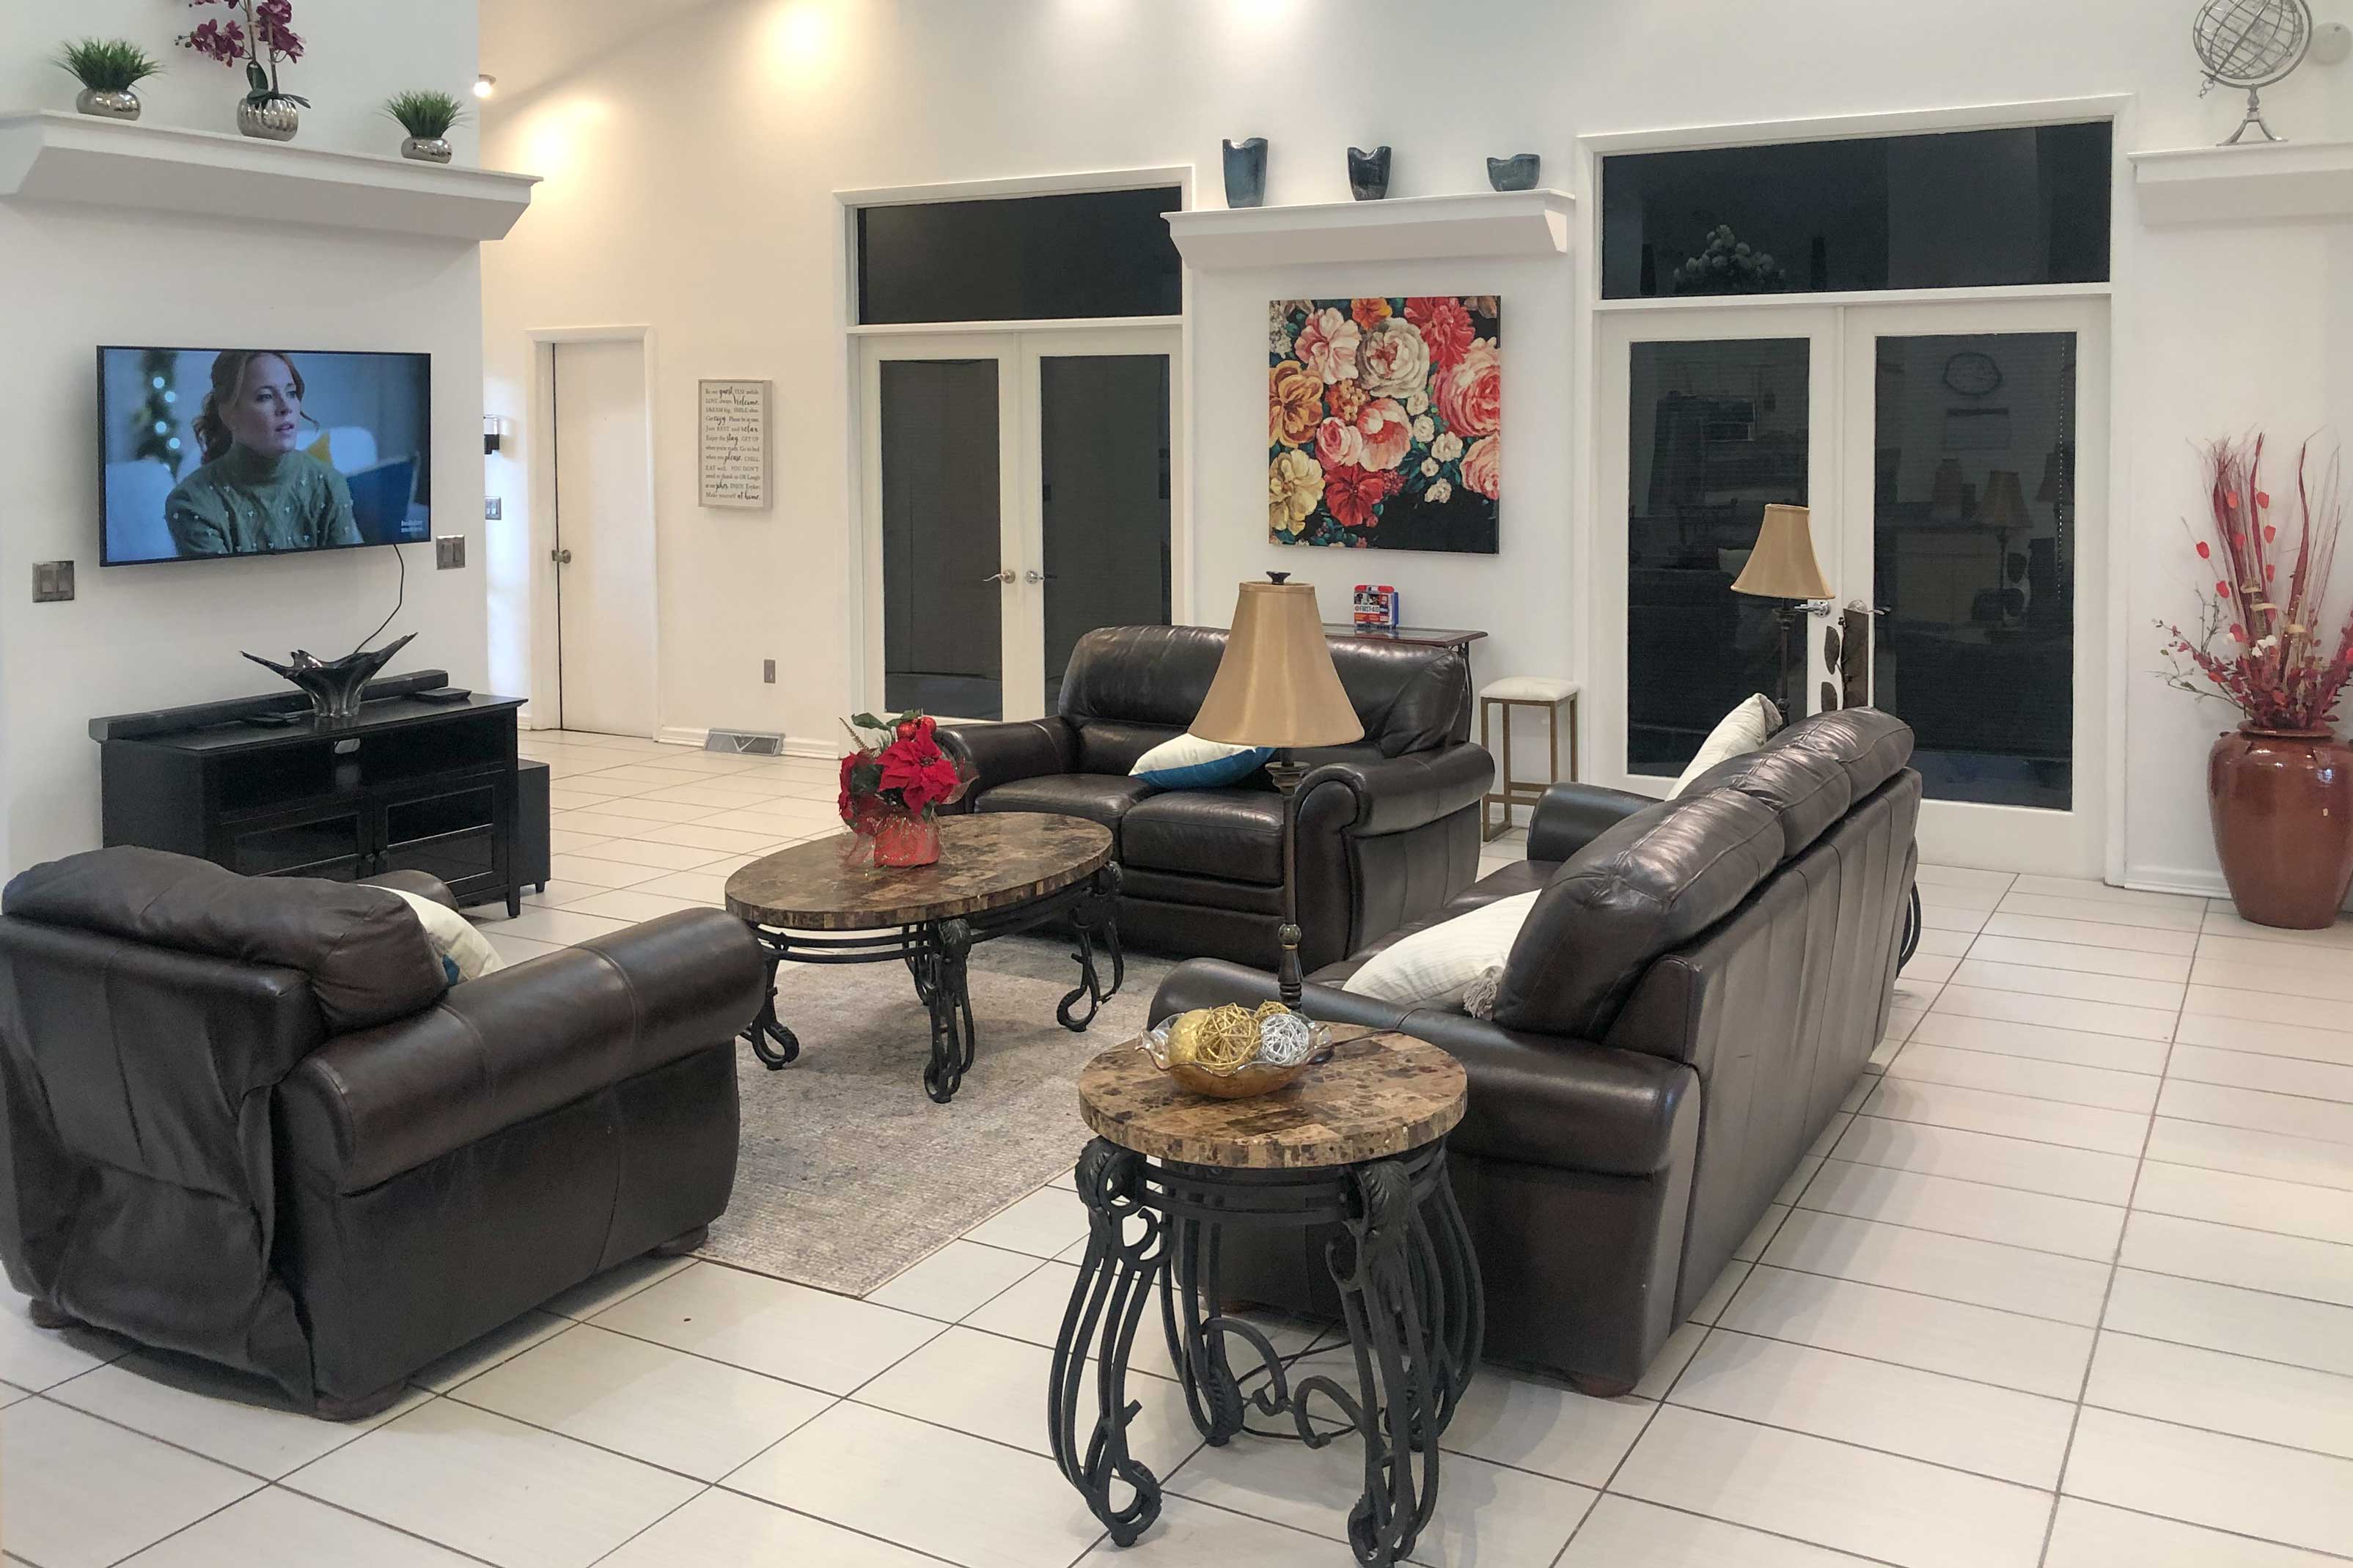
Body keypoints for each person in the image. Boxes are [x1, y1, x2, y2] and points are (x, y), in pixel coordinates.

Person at [164, 350, 360, 556]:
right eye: (265, 396)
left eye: (291, 393)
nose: (286, 407)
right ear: (230, 415)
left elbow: (346, 580)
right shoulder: (192, 502)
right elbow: (221, 588)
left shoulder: (328, 484)